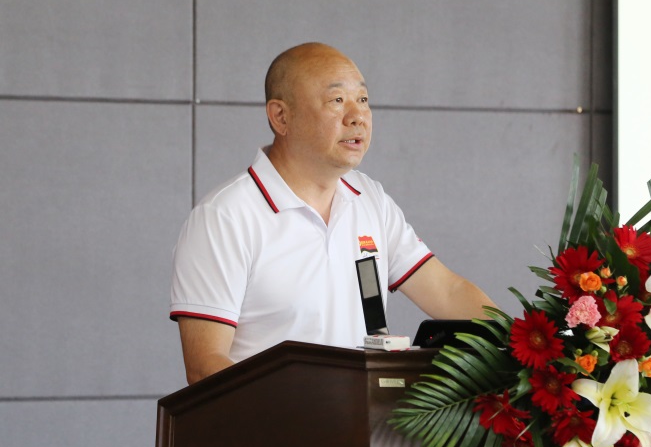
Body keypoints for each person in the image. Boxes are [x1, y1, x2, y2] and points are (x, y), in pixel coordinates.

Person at [170, 42, 497, 385]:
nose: (357, 116)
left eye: (363, 99)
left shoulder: (370, 199)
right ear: (281, 117)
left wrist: (523, 350)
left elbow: (447, 291)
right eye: (337, 100)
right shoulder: (224, 218)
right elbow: (205, 366)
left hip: (368, 417)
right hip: (274, 419)